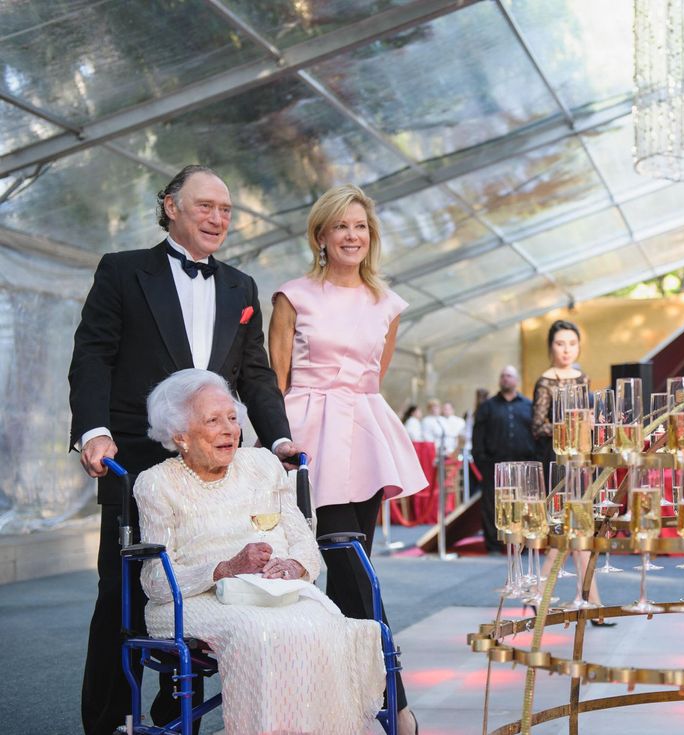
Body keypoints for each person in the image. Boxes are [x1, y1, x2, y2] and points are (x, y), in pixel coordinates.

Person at [68, 164, 301, 735]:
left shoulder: (241, 287)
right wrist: (93, 430)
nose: (219, 218)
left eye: (225, 210)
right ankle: (109, 721)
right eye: (206, 206)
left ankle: (177, 708)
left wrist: (278, 436)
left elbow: (256, 374)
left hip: (217, 466)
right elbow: (93, 355)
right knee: (121, 593)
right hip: (138, 461)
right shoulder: (122, 272)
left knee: (208, 581)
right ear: (170, 206)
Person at [136, 369, 385, 735]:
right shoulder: (156, 483)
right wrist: (224, 568)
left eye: (233, 418)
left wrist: (294, 565)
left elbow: (304, 541)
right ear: (180, 436)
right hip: (191, 600)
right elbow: (155, 581)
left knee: (327, 625)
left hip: (274, 591)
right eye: (213, 420)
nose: (229, 429)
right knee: (260, 633)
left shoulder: (262, 465)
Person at [268, 183, 425, 735]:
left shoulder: (387, 303)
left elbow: (373, 378)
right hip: (307, 442)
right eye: (341, 226)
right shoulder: (292, 296)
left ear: (370, 236)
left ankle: (345, 709)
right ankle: (397, 702)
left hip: (365, 439)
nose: (352, 236)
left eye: (360, 227)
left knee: (351, 581)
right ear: (321, 235)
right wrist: (277, 447)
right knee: (348, 575)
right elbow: (276, 378)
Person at [529, 320, 610, 618]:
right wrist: (568, 425)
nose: (566, 349)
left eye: (572, 344)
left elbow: (586, 419)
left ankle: (585, 599)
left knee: (580, 532)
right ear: (551, 346)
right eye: (561, 343)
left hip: (580, 459)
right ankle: (577, 600)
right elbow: (537, 427)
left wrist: (587, 424)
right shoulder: (545, 381)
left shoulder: (582, 377)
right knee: (567, 531)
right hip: (556, 462)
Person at [472, 365, 536, 553]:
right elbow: (478, 436)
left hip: (522, 465)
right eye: (503, 376)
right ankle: (493, 544)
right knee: (491, 505)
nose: (506, 379)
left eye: (509, 376)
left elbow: (536, 434)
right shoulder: (487, 407)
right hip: (493, 465)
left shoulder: (528, 405)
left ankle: (521, 545)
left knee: (522, 506)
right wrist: (481, 461)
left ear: (516, 380)